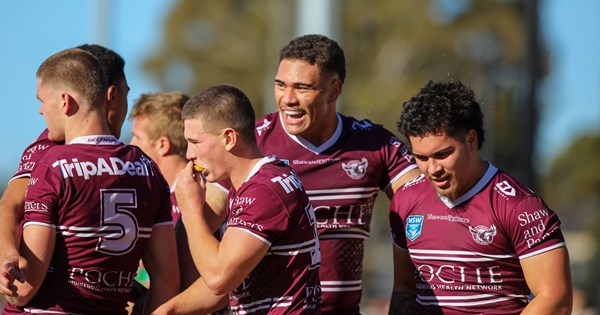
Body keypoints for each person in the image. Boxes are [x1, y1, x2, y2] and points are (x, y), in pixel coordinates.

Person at [254, 34, 421, 314]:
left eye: (302, 88)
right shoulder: (254, 143)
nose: (287, 99)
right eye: (280, 85)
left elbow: (425, 207)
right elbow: (204, 218)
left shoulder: (375, 144)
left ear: (334, 90)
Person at [3, 48, 179, 314]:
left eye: (41, 100)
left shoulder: (52, 164)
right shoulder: (149, 169)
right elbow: (167, 281)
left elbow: (24, 290)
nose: (40, 110)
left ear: (65, 101)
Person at [389, 80, 572, 314]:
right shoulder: (405, 199)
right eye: (421, 158)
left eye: (443, 154)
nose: (432, 169)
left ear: (472, 141)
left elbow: (556, 299)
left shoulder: (520, 206)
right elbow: (405, 289)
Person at [153, 84, 322, 314]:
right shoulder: (256, 183)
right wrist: (168, 311)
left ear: (229, 138)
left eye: (195, 142)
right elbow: (227, 285)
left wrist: (191, 207)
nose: (190, 154)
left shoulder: (264, 190)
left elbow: (219, 277)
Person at [0, 44, 130, 299]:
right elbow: (9, 204)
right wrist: (7, 253)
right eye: (127, 94)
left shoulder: (130, 159)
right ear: (111, 95)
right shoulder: (50, 147)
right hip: (39, 299)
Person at [128, 92, 229, 315]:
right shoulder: (147, 195)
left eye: (137, 137)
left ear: (163, 144)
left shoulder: (208, 191)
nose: (130, 145)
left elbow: (180, 278)